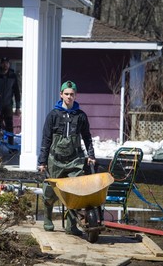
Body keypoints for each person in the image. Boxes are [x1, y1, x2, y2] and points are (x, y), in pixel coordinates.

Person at [38, 80, 96, 235]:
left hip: (74, 160)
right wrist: (42, 161)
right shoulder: (53, 115)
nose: (69, 97)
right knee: (50, 191)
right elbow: (46, 139)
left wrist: (91, 155)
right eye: (67, 94)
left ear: (75, 95)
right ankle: (48, 219)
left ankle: (71, 226)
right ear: (61, 95)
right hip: (55, 160)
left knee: (75, 192)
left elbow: (87, 137)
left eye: (72, 94)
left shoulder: (81, 116)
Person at [0, 57, 21, 152]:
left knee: (9, 126)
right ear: (1, 64)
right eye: (3, 63)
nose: (5, 65)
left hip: (8, 104)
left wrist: (17, 106)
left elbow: (17, 92)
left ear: (9, 64)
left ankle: (11, 146)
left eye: (7, 63)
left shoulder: (12, 76)